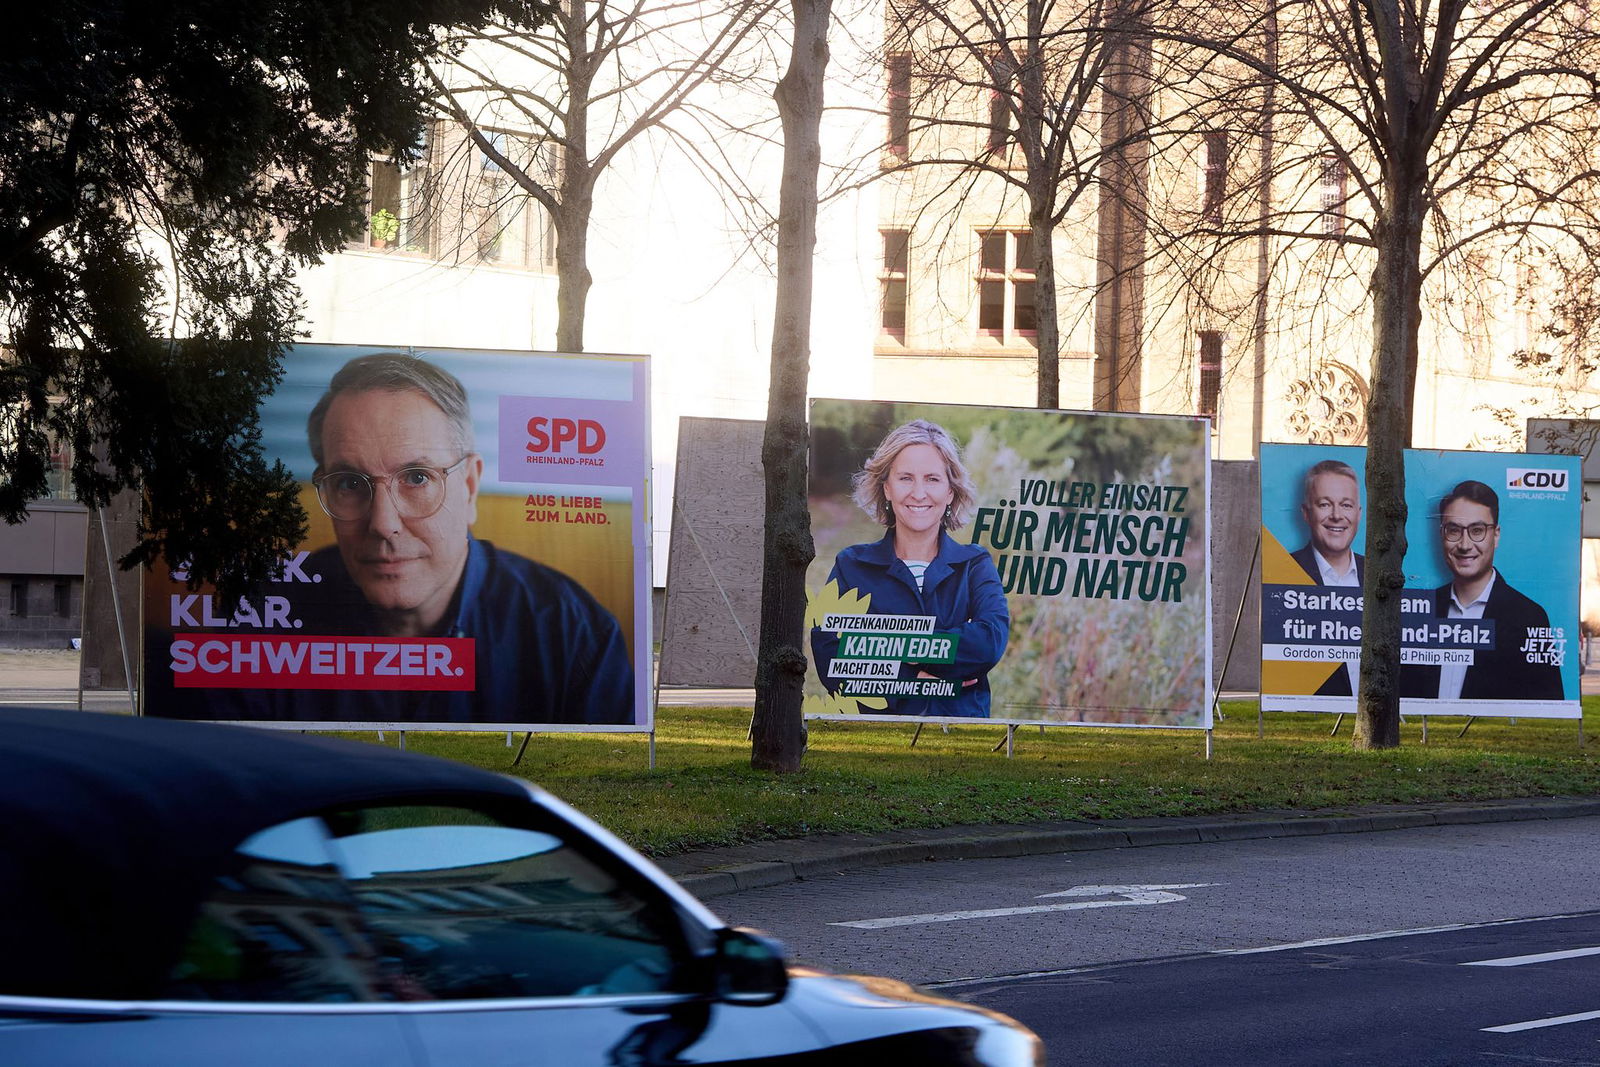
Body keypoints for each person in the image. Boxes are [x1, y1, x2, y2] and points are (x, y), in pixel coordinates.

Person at [233, 353, 633, 724]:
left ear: (470, 487)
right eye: (350, 482)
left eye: (417, 477)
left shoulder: (574, 632)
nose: (383, 524)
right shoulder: (267, 618)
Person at [811, 419, 1009, 717]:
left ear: (950, 492)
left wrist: (884, 646)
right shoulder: (851, 566)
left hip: (962, 740)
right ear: (887, 488)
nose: (919, 493)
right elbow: (832, 656)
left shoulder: (974, 565)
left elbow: (988, 642)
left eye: (932, 479)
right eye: (905, 478)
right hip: (880, 742)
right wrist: (912, 680)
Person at [1404, 480, 1563, 702]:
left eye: (1477, 530)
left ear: (1496, 535)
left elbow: (1548, 705)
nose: (1465, 544)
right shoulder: (1420, 612)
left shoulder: (1529, 616)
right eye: (1454, 531)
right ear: (1441, 534)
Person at [1289, 459, 1365, 697]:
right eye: (1324, 504)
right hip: (1309, 710)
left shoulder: (1380, 575)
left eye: (1346, 505)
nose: (1336, 516)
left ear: (1359, 514)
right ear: (1306, 513)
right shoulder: (1286, 572)